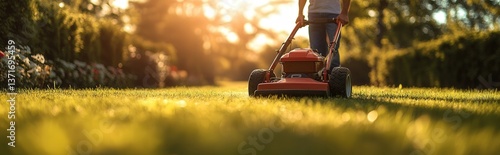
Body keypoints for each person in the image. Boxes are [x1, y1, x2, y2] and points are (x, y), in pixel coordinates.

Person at [296, 0, 351, 69]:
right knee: (315, 51)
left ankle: (334, 75)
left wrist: (344, 13)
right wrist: (300, 13)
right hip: (314, 13)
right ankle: (316, 74)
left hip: (334, 12)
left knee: (333, 48)